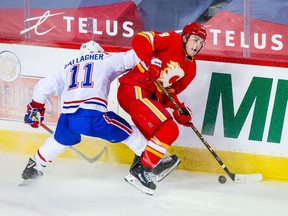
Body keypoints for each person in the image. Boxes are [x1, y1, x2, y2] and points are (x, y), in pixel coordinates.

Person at [19, 40, 176, 192]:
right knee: (130, 133)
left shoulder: (67, 68)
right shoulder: (105, 59)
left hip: (67, 118)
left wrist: (35, 108)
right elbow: (135, 56)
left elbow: (43, 86)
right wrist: (156, 52)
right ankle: (155, 163)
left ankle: (34, 166)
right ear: (99, 52)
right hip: (93, 117)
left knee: (59, 140)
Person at [117, 22, 207, 194]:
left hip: (148, 97)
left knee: (163, 131)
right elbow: (141, 38)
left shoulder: (191, 69)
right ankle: (141, 170)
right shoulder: (172, 40)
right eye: (195, 40)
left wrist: (179, 109)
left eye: (201, 43)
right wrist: (150, 63)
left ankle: (146, 163)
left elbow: (167, 94)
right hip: (134, 89)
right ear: (185, 37)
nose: (197, 46)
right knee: (168, 128)